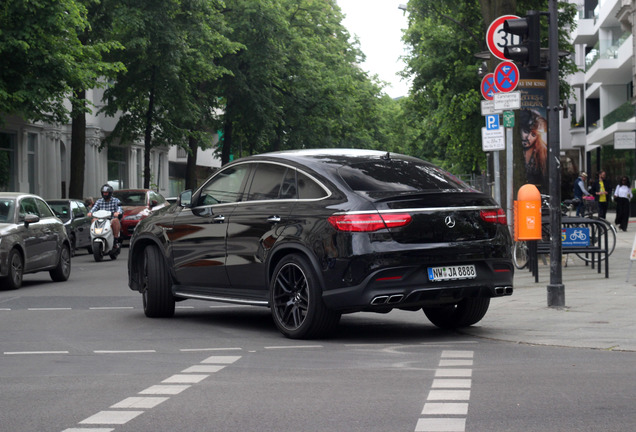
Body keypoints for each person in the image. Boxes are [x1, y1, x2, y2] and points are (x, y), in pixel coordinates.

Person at [520, 109, 548, 189]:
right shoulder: (516, 151)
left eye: (533, 134)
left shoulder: (542, 154)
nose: (528, 138)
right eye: (525, 131)